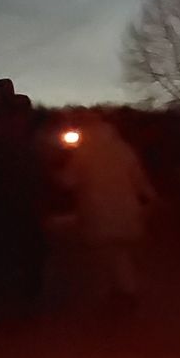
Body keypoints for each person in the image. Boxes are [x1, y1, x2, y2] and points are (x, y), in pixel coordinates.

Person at [57, 117, 155, 302]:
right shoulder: (123, 149)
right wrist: (150, 197)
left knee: (104, 255)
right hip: (125, 210)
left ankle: (111, 294)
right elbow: (138, 178)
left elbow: (68, 181)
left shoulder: (84, 152)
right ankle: (126, 291)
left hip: (97, 212)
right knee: (120, 253)